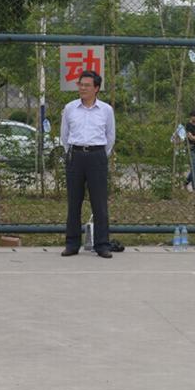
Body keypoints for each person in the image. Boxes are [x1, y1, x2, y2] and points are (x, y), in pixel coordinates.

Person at [60, 70, 116, 259]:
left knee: (99, 204)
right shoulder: (70, 108)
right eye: (81, 85)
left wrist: (99, 154)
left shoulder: (106, 110)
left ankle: (102, 245)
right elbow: (64, 135)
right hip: (75, 155)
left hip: (97, 156)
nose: (83, 88)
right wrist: (73, 152)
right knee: (73, 202)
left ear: (96, 88)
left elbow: (110, 136)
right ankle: (72, 244)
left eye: (87, 85)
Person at [183, 111, 195, 191]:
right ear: (192, 117)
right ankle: (194, 186)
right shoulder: (188, 125)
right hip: (189, 147)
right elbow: (190, 137)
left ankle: (186, 182)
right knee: (194, 168)